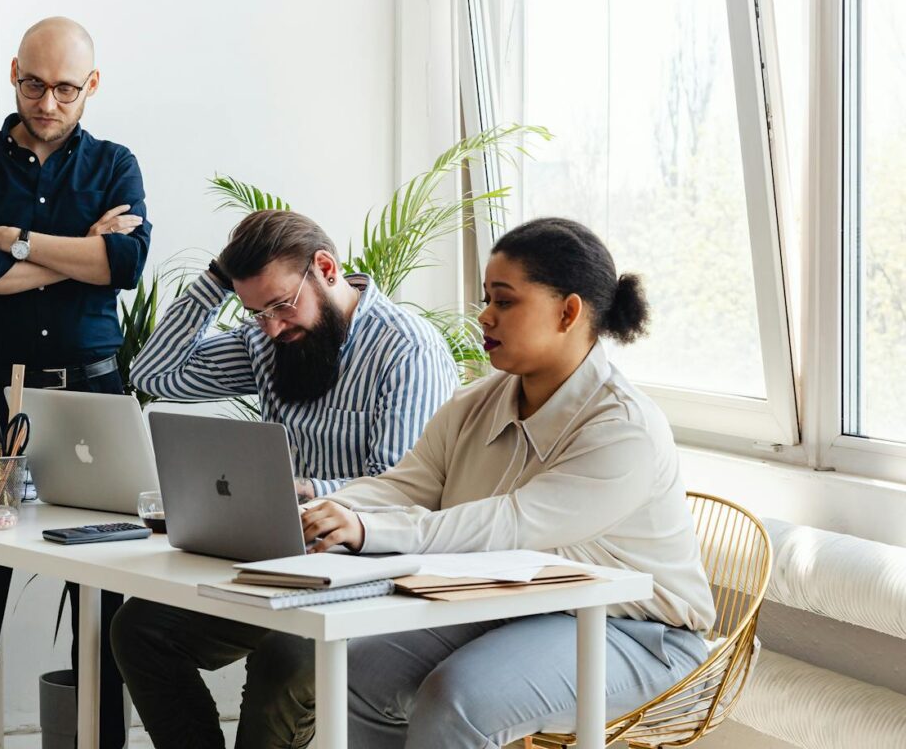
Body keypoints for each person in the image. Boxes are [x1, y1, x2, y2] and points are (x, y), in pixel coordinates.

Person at [289, 216, 717, 748]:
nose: (484, 317)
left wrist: (366, 531)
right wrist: (316, 512)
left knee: (456, 700)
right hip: (517, 604)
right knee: (358, 672)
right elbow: (405, 485)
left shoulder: (624, 430)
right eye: (486, 298)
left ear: (569, 311)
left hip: (639, 635)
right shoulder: (476, 401)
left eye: (505, 301)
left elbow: (510, 527)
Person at [111, 208, 457, 748]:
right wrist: (216, 281)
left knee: (286, 656)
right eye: (256, 312)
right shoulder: (272, 343)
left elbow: (401, 491)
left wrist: (309, 490)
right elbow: (156, 374)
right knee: (140, 629)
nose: (271, 326)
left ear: (326, 268)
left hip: (374, 573)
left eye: (280, 305)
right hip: (284, 560)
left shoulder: (405, 349)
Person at [0, 16, 152, 749]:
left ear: (91, 86)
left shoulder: (116, 165)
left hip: (93, 396)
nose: (46, 103)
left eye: (64, 89)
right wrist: (80, 249)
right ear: (15, 72)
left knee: (106, 589)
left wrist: (14, 242)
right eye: (33, 84)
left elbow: (124, 268)